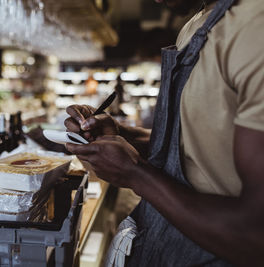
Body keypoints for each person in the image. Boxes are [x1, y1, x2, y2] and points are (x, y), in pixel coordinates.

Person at [64, 0, 264, 266]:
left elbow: (255, 236)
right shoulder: (196, 24)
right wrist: (124, 135)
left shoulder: (255, 26)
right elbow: (192, 148)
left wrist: (136, 174)